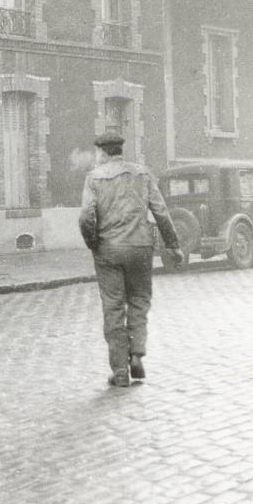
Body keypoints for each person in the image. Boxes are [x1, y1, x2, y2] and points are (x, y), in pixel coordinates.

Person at [78, 132, 183, 387]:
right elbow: (161, 212)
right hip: (140, 248)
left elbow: (86, 216)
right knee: (139, 301)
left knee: (113, 306)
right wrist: (174, 245)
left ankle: (120, 371)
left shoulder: (94, 178)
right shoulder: (142, 174)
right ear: (120, 150)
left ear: (102, 152)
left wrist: (94, 243)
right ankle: (137, 354)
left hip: (109, 249)